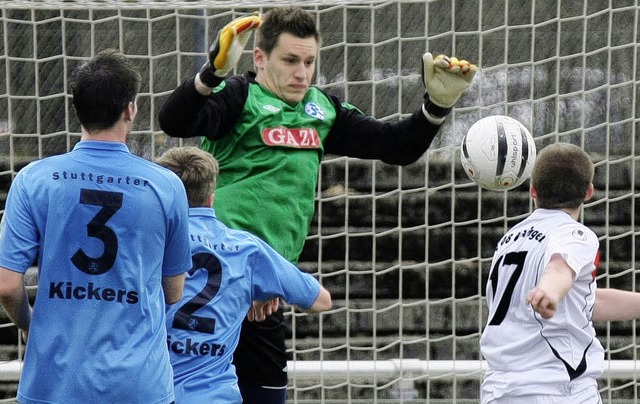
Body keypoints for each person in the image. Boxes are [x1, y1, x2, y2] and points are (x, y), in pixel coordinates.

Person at [158, 6, 477, 402]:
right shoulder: (241, 97)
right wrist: (211, 74)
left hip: (267, 292)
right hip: (213, 283)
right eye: (290, 60)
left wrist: (437, 106)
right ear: (259, 59)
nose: (302, 73)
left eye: (309, 62)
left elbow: (396, 146)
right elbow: (175, 121)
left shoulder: (322, 110)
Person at [0, 49, 192, 404]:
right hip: (139, 385)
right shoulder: (165, 186)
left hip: (53, 384)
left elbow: (7, 286)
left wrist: (31, 326)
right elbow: (174, 291)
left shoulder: (33, 180)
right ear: (130, 109)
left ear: (78, 110)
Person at [156, 146, 332, 403]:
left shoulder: (150, 241)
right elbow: (321, 300)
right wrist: (263, 288)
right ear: (211, 198)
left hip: (152, 391)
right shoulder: (247, 249)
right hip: (215, 396)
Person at [480, 142, 640, 403]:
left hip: (500, 390)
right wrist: (550, 291)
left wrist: (551, 291)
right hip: (556, 389)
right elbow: (559, 269)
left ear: (533, 190)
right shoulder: (573, 233)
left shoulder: (511, 238)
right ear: (589, 192)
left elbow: (585, 300)